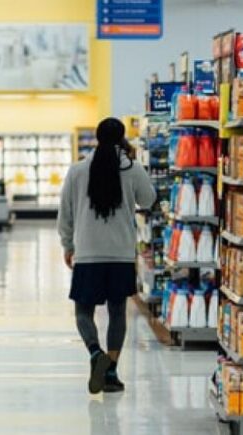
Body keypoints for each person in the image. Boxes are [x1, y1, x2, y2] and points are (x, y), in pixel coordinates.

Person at [57, 117, 157, 394]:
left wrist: (68, 245)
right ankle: (111, 371)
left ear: (98, 137)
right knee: (117, 312)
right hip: (121, 253)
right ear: (122, 137)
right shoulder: (132, 168)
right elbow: (148, 200)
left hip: (88, 252)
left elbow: (64, 213)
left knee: (83, 312)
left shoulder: (77, 171)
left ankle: (94, 353)